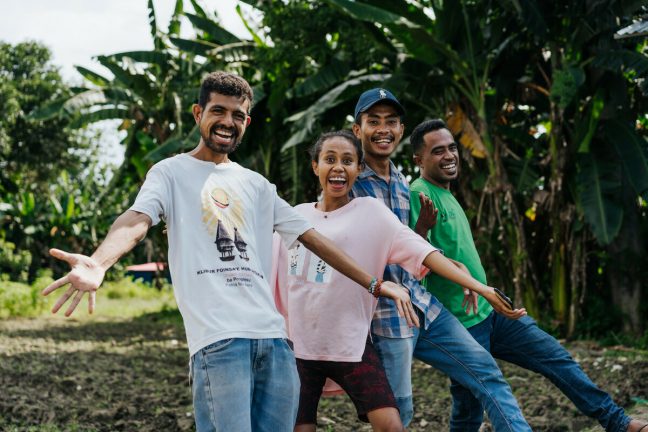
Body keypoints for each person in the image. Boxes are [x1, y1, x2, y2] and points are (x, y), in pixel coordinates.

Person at [41, 72, 410, 432]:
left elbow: (315, 240)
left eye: (237, 115)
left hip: (276, 343)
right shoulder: (170, 173)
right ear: (198, 113)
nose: (227, 122)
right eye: (218, 111)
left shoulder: (257, 185)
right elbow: (138, 219)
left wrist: (374, 284)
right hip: (219, 341)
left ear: (246, 122)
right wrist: (99, 262)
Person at [274, 130, 527, 431]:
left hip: (350, 345)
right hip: (298, 348)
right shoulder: (295, 217)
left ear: (358, 168)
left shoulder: (371, 213)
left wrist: (481, 288)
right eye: (330, 159)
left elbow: (422, 251)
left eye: (348, 161)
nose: (339, 167)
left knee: (392, 423)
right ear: (315, 166)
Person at [409, 118, 648, 432]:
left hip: (492, 311)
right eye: (437, 151)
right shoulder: (418, 192)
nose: (449, 155)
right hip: (461, 322)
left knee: (555, 357)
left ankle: (617, 422)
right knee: (468, 408)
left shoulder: (446, 192)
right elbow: (413, 252)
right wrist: (425, 229)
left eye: (452, 147)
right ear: (419, 160)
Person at [349, 88, 531, 431]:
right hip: (386, 316)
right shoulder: (351, 182)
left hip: (423, 303)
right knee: (398, 413)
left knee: (485, 371)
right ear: (357, 130)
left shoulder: (401, 183)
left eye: (391, 122)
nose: (383, 129)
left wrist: (462, 272)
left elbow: (406, 246)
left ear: (401, 130)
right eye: (373, 121)